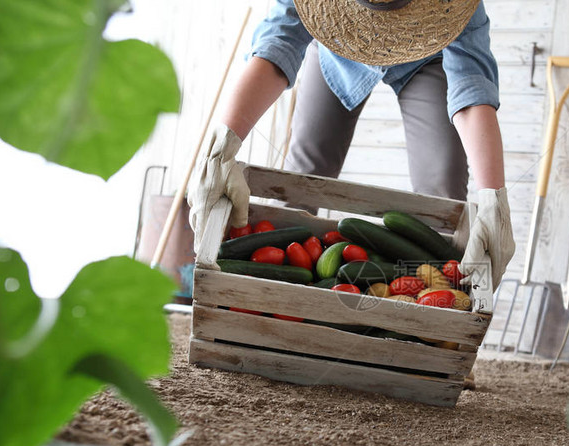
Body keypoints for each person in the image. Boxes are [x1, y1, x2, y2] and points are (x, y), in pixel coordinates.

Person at [188, 0, 515, 288]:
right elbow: (277, 45)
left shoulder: (456, 7)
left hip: (429, 56)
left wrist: (492, 198)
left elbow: (472, 91)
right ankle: (275, 295)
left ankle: (433, 306)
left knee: (443, 188)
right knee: (304, 175)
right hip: (337, 44)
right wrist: (220, 150)